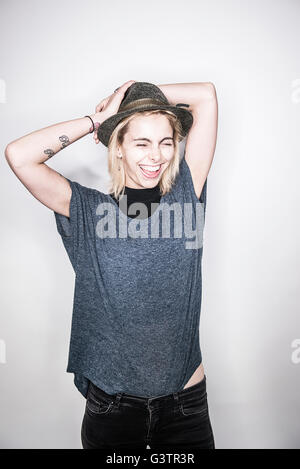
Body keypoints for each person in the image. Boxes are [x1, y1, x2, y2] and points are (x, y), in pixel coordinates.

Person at [5, 80, 218, 450]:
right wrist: (99, 118)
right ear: (117, 147)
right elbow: (18, 155)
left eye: (166, 142)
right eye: (141, 142)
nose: (157, 156)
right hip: (114, 410)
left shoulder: (187, 194)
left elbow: (206, 95)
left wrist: (136, 92)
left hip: (186, 407)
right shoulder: (87, 210)